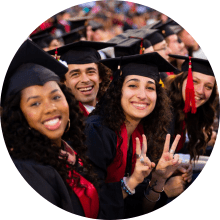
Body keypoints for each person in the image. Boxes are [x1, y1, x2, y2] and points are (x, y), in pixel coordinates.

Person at [1, 39, 99, 219]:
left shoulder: (66, 153)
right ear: (19, 114)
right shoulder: (28, 172)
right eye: (35, 103)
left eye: (55, 97)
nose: (50, 108)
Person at [84, 52, 182, 219]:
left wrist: (158, 180)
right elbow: (91, 204)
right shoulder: (96, 132)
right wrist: (132, 181)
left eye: (150, 87)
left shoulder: (145, 133)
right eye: (133, 85)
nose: (142, 95)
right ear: (118, 91)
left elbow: (142, 210)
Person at [165, 55, 218, 161]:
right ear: (179, 82)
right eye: (194, 82)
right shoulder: (166, 111)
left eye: (208, 87)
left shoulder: (186, 110)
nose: (201, 91)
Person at [48, 41, 115, 116]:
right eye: (75, 74)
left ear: (100, 76)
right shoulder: (66, 120)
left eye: (90, 72)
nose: (85, 80)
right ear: (64, 81)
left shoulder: (113, 111)